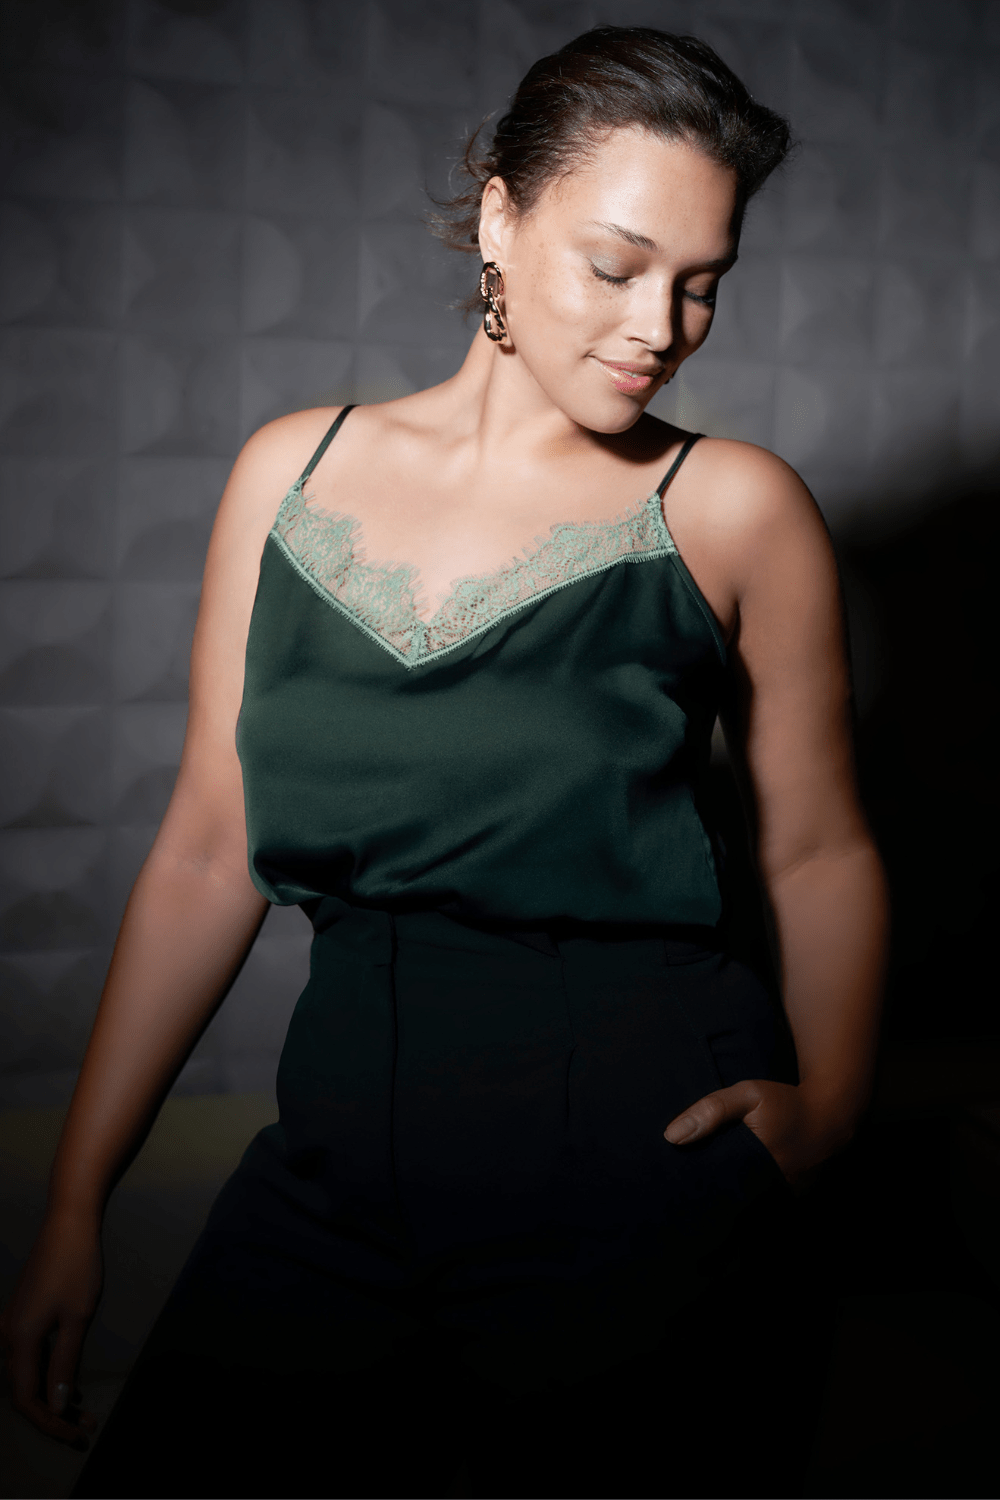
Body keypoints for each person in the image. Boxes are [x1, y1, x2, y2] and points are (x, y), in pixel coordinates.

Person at [1, 26, 887, 1500]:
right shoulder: (287, 474)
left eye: (703, 282)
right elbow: (208, 853)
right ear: (498, 218)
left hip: (644, 1168)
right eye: (617, 267)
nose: (663, 326)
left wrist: (833, 1107)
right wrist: (75, 1198)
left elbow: (818, 848)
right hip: (338, 1155)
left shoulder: (734, 508)